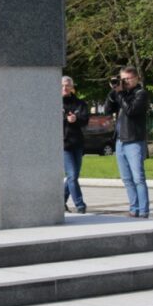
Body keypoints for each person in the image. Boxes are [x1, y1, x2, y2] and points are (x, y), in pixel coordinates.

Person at [105, 66, 150, 218]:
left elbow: (131, 111)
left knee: (138, 178)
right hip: (120, 141)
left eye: (128, 79)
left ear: (136, 78)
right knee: (126, 179)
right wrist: (113, 92)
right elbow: (107, 110)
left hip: (134, 140)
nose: (125, 82)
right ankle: (133, 208)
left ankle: (143, 210)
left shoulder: (141, 94)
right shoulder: (121, 94)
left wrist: (120, 94)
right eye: (122, 79)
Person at [62, 76, 89, 214]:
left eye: (67, 85)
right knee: (72, 175)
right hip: (63, 145)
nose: (64, 88)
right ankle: (80, 204)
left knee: (73, 176)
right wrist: (65, 119)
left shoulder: (79, 103)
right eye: (62, 85)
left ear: (72, 87)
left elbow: (85, 120)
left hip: (77, 143)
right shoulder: (53, 102)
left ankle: (60, 201)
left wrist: (75, 119)